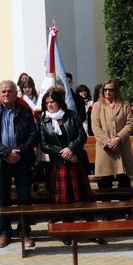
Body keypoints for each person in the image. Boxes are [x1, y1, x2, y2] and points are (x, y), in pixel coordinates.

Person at [38, 87, 99, 243]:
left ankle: (93, 231)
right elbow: (44, 144)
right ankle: (67, 232)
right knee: (64, 201)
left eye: (52, 101)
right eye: (47, 103)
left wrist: (71, 149)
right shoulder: (44, 121)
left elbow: (82, 135)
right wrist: (62, 152)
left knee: (85, 198)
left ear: (59, 102)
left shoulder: (72, 115)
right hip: (59, 165)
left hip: (76, 161)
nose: (50, 105)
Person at [0, 79, 38, 248]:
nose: (6, 94)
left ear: (16, 93)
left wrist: (18, 152)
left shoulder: (25, 111)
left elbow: (33, 135)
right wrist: (6, 153)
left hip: (22, 160)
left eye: (10, 91)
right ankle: (4, 232)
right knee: (2, 198)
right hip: (1, 161)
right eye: (3, 92)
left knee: (24, 197)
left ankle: (24, 231)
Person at [90, 79, 133, 188]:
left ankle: (125, 205)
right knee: (105, 182)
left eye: (111, 89)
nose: (107, 92)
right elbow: (95, 127)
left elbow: (130, 123)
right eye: (105, 89)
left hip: (122, 147)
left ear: (116, 90)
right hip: (105, 149)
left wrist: (118, 138)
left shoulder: (124, 104)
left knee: (124, 182)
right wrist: (108, 142)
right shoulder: (97, 106)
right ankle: (106, 205)